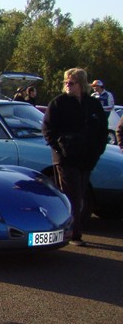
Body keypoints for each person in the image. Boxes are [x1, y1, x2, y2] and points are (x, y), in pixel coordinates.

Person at [42, 68, 108, 246]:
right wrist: (60, 149)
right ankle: (73, 234)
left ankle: (73, 230)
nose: (67, 86)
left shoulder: (93, 105)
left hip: (87, 159)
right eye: (65, 83)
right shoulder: (58, 103)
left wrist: (97, 151)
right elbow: (47, 130)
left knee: (81, 196)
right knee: (72, 195)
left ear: (81, 84)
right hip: (66, 159)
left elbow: (102, 130)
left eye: (71, 83)